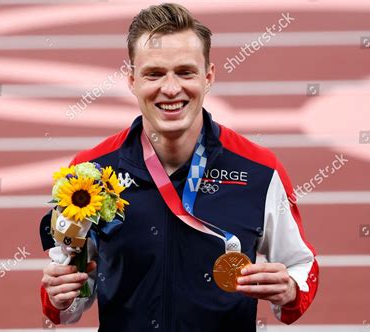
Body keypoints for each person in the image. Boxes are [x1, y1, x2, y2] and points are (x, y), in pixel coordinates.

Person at [40, 3, 319, 331]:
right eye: (154, 74)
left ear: (208, 76)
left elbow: (301, 266)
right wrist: (64, 294)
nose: (171, 89)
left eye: (185, 72)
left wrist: (288, 290)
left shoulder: (260, 171)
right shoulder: (89, 174)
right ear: (131, 80)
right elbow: (70, 288)